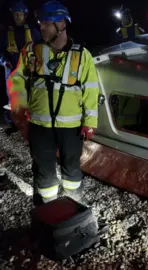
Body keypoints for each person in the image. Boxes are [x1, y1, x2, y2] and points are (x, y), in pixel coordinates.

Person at [7, 0, 100, 204]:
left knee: (72, 168)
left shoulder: (81, 55)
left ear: (61, 24)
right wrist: (19, 109)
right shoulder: (30, 51)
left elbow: (91, 90)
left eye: (46, 23)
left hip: (71, 127)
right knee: (44, 170)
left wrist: (90, 122)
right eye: (41, 23)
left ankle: (73, 203)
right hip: (39, 125)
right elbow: (16, 80)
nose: (41, 27)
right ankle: (48, 209)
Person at [0, 1, 41, 131]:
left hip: (28, 66)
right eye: (16, 14)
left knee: (30, 92)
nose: (18, 17)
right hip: (11, 65)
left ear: (25, 15)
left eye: (20, 14)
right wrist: (3, 60)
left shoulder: (33, 31)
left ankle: (31, 120)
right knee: (12, 95)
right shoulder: (5, 32)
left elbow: (40, 48)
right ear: (12, 15)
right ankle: (12, 122)